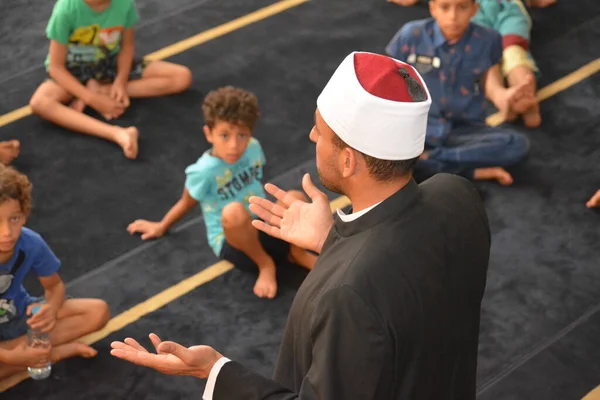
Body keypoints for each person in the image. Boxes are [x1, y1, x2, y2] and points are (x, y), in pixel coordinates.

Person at [110, 52, 492, 399]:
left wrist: (214, 370)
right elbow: (409, 282)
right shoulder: (457, 195)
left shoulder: (348, 295)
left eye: (319, 131)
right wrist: (333, 239)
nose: (311, 136)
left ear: (347, 161)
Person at [127, 86, 317, 299]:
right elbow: (185, 203)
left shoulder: (253, 148)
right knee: (234, 212)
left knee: (295, 197)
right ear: (209, 134)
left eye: (242, 135)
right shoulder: (203, 172)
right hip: (235, 242)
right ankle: (265, 265)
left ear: (250, 133)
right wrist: (161, 227)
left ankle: (296, 253)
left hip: (262, 224)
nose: (234, 145)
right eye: (225, 136)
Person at [386, 0, 532, 185]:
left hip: (462, 130)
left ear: (474, 9)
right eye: (445, 7)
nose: (453, 16)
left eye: (462, 7)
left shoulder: (489, 40)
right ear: (433, 8)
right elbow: (389, 86)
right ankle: (468, 171)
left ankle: (426, 161)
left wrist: (505, 97)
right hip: (419, 128)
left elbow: (490, 84)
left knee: (516, 145)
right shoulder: (411, 35)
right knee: (379, 149)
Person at [29, 0, 193, 160]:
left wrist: (120, 82)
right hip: (74, 69)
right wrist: (92, 99)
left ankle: (102, 89)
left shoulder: (124, 3)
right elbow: (56, 67)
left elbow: (126, 46)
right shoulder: (66, 8)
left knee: (181, 77)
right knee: (40, 103)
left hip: (109, 62)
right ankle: (116, 133)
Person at [0, 165, 110, 380]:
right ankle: (51, 353)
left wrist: (51, 308)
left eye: (14, 219)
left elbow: (54, 286)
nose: (6, 232)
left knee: (98, 312)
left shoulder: (30, 242)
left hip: (21, 316)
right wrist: (10, 358)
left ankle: (30, 354)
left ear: (25, 214)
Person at [472, 0, 541, 127]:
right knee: (484, 55)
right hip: (471, 14)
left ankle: (526, 95)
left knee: (513, 51)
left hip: (506, 8)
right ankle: (501, 98)